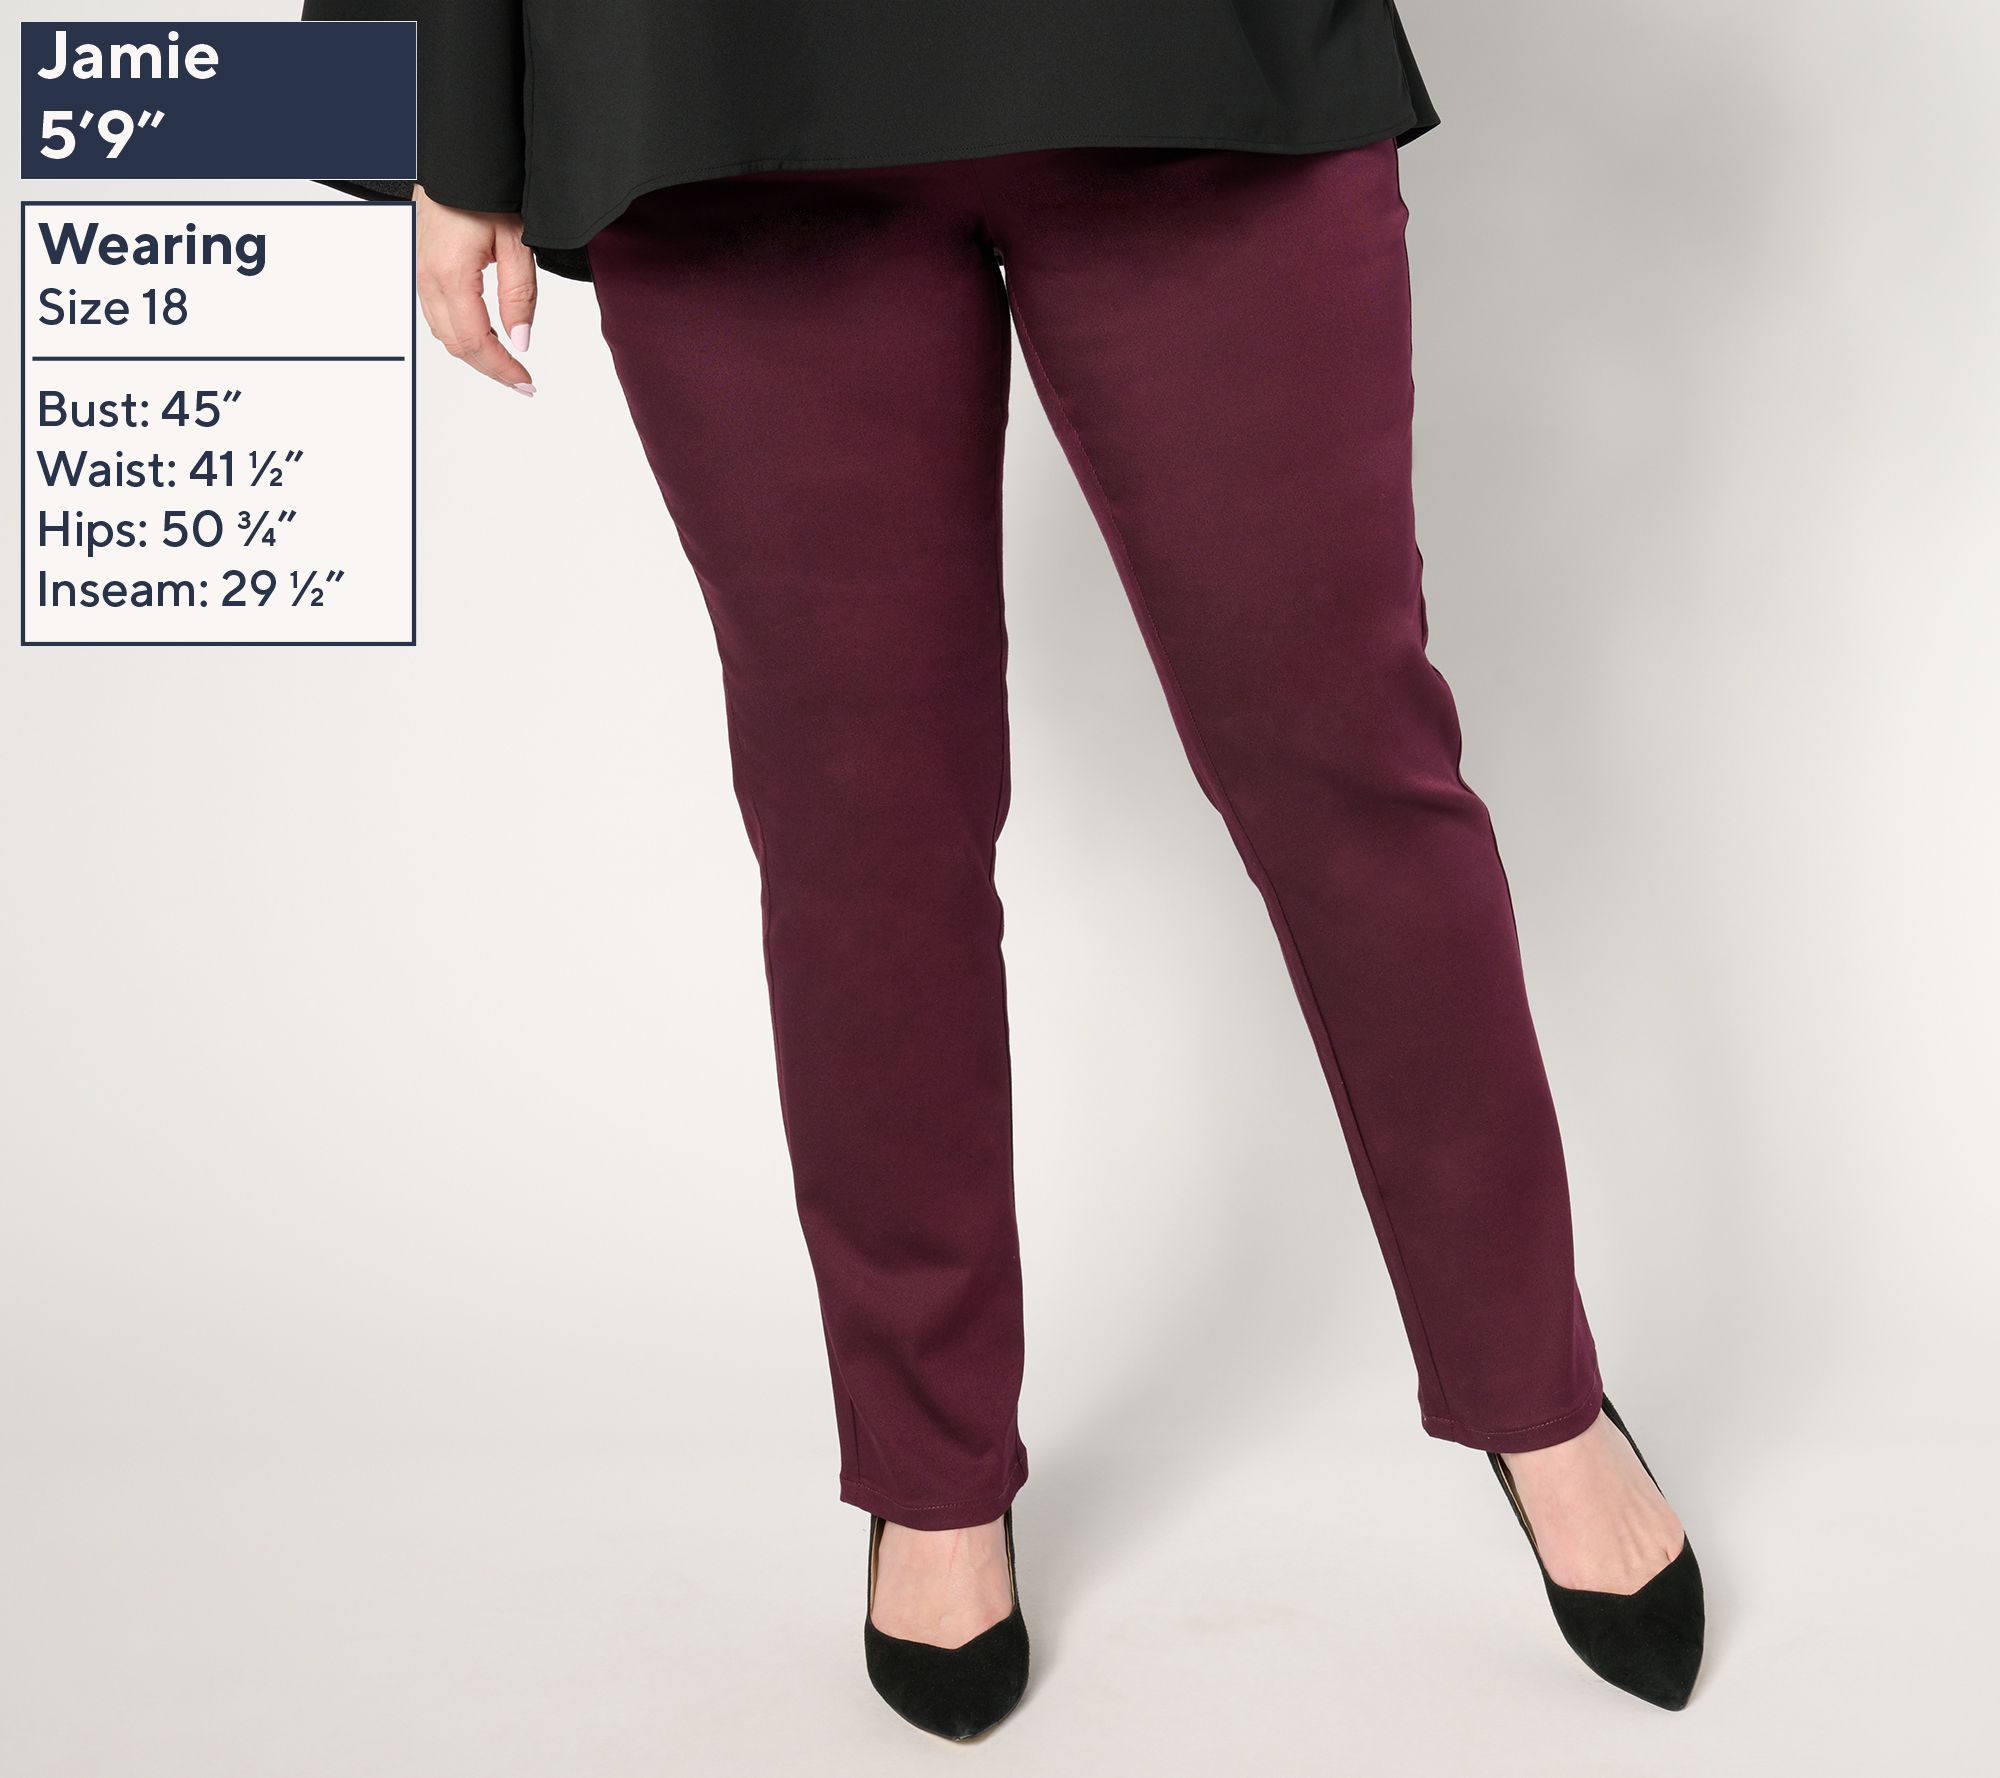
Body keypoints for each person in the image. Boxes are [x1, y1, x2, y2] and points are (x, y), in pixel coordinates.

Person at [301, 0, 1705, 1735]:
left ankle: (1539, 1394)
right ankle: (928, 1467)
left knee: (1346, 761)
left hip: (1196, 57)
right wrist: (430, 113)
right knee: (857, 826)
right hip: (709, 83)